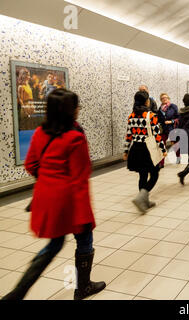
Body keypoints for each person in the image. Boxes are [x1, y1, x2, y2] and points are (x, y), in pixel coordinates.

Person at [2, 89, 106, 300]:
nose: (78, 110)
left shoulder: (40, 132)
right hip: (69, 200)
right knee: (85, 238)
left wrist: (50, 179)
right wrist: (83, 215)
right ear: (70, 110)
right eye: (77, 107)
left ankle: (17, 293)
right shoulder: (75, 137)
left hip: (46, 197)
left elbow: (31, 164)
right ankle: (83, 287)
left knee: (54, 244)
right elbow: (80, 177)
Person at [124, 91, 167, 213]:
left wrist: (126, 151)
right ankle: (141, 198)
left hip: (136, 148)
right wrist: (163, 150)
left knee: (142, 175)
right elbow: (156, 135)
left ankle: (144, 202)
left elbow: (128, 135)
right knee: (155, 174)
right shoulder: (151, 116)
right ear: (146, 101)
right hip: (148, 149)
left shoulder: (131, 116)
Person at [157, 93, 180, 165]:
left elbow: (179, 118)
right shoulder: (160, 109)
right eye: (162, 98)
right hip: (163, 129)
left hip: (172, 128)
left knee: (174, 143)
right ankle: (161, 162)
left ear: (168, 98)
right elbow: (159, 119)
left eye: (165, 97)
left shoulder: (173, 106)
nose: (164, 99)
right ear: (161, 100)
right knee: (162, 144)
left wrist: (171, 121)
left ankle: (178, 157)